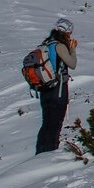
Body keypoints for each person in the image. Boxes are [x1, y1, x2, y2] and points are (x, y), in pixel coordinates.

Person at [35, 18, 78, 155]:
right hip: (57, 89)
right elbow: (72, 64)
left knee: (47, 122)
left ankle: (41, 152)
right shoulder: (59, 46)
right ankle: (49, 154)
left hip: (45, 89)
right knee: (55, 123)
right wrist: (72, 50)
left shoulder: (46, 44)